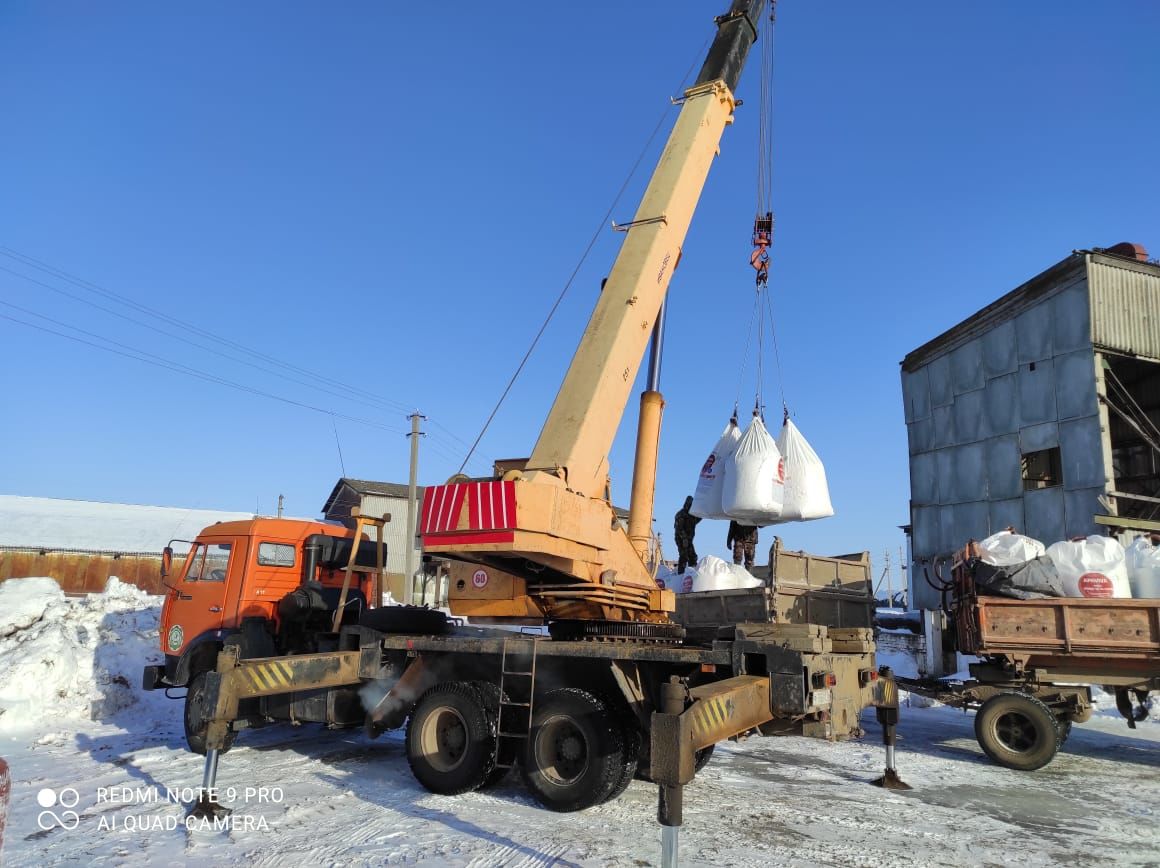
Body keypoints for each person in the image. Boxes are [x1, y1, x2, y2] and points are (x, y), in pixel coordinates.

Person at [673, 495, 701, 574]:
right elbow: (679, 529)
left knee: (692, 556)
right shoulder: (681, 514)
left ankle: (691, 572)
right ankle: (681, 573)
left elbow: (696, 520)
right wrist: (684, 539)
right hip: (680, 538)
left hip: (688, 539)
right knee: (684, 555)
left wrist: (702, 513)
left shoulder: (691, 515)